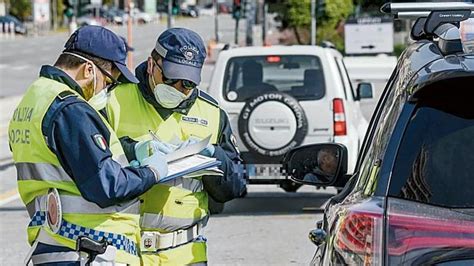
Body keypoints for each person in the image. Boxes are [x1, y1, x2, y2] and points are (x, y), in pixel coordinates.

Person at [8, 25, 168, 265]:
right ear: (88, 70)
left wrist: (132, 149)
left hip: (53, 244)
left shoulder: (34, 98)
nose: (107, 88)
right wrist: (151, 172)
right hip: (87, 249)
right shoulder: (70, 108)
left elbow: (65, 161)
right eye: (109, 80)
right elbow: (107, 186)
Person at [106, 28, 246, 265]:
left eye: (188, 83)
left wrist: (215, 157)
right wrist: (133, 152)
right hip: (124, 251)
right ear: (152, 64)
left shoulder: (212, 113)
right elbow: (92, 167)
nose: (178, 88)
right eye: (170, 78)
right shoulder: (113, 100)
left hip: (186, 253)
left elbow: (234, 187)